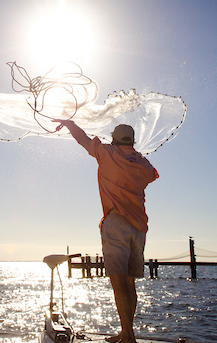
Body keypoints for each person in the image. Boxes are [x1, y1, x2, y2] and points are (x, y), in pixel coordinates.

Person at [53, 119, 159, 343]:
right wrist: (132, 158)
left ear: (113, 139)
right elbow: (151, 175)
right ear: (132, 141)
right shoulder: (142, 162)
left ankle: (128, 336)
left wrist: (69, 123)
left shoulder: (107, 153)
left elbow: (82, 139)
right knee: (130, 283)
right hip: (139, 228)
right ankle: (126, 332)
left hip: (116, 223)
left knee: (118, 282)